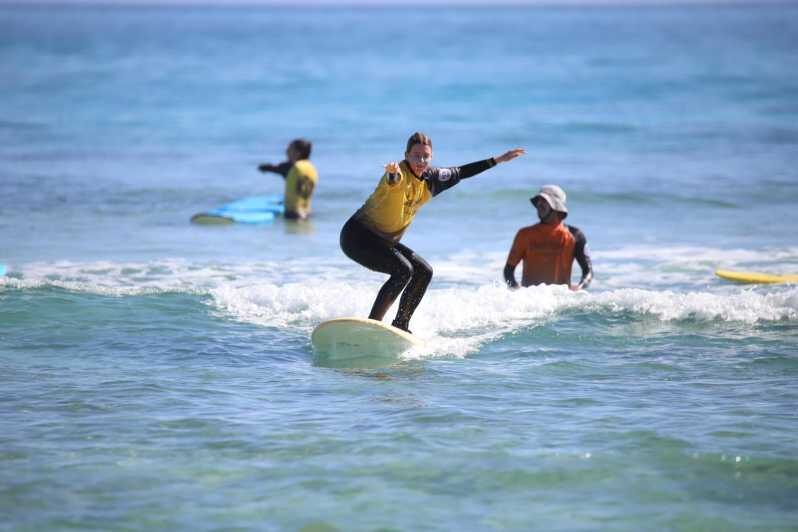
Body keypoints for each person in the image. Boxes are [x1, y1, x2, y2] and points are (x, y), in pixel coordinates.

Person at [340, 131, 525, 333]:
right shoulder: (398, 174)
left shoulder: (432, 179)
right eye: (416, 155)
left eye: (425, 156)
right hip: (357, 236)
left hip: (383, 241)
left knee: (424, 271)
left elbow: (462, 172)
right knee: (403, 271)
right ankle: (373, 323)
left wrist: (497, 160)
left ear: (431, 157)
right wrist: (392, 173)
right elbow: (393, 180)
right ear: (406, 155)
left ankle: (401, 325)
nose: (421, 160)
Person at [503, 185, 593, 291]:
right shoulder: (524, 234)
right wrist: (516, 289)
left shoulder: (574, 235)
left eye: (544, 201)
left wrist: (579, 287)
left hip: (560, 301)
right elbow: (508, 271)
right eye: (538, 201)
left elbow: (588, 272)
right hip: (530, 300)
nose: (539, 204)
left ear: (556, 205)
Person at [258, 138, 318, 220]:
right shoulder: (311, 168)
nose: (286, 152)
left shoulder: (292, 167)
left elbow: (272, 168)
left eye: (289, 149)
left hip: (293, 215)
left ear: (298, 153)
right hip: (307, 213)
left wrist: (262, 168)